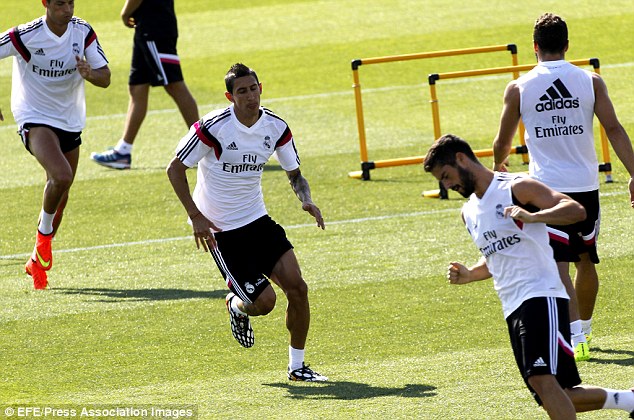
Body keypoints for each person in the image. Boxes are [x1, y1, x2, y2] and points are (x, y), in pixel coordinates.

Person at [424, 134, 634, 420]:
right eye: (442, 181)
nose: (447, 185)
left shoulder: (516, 187)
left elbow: (575, 209)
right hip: (512, 307)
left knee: (542, 380)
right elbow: (497, 255)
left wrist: (535, 216)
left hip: (541, 295)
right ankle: (630, 400)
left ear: (462, 158)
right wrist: (472, 273)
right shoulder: (468, 212)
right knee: (553, 393)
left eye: (446, 176)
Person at [166, 63, 327, 382]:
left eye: (254, 88)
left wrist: (305, 199)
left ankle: (297, 367)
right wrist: (196, 216)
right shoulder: (213, 128)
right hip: (221, 231)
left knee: (298, 289)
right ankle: (238, 306)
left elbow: (295, 175)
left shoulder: (276, 127)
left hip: (257, 220)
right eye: (242, 91)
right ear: (230, 96)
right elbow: (175, 168)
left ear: (260, 88)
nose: (250, 96)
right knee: (264, 302)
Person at [492, 12, 634, 362]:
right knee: (586, 259)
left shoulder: (520, 87)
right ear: (567, 45)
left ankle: (573, 339)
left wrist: (499, 165)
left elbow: (501, 142)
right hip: (586, 187)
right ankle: (583, 331)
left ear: (534, 47)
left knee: (558, 266)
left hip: (546, 191)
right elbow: (613, 129)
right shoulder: (591, 81)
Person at [0, 0, 111, 289]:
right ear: (46, 4)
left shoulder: (82, 32)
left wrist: (90, 73)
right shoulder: (24, 35)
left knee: (62, 192)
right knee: (61, 175)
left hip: (70, 119)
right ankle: (43, 239)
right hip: (33, 116)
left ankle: (36, 260)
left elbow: (106, 77)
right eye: (61, 3)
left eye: (71, 3)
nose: (68, 9)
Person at [90, 0, 198, 169]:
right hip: (147, 27)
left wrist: (125, 13)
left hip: (155, 29)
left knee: (174, 85)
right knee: (137, 88)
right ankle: (123, 151)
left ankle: (205, 145)